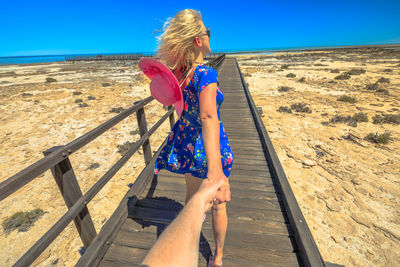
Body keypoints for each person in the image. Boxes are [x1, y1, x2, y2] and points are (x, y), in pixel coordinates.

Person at [152, 9, 234, 267]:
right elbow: (209, 117)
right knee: (218, 203)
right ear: (198, 40)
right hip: (209, 149)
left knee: (192, 200)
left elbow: (176, 104)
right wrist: (216, 170)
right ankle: (217, 258)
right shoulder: (207, 75)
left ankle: (187, 248)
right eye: (207, 31)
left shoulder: (182, 74)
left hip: (186, 144)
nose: (210, 35)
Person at [141, 178, 225, 267]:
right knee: (219, 206)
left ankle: (196, 218)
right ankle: (218, 257)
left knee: (191, 197)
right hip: (219, 167)